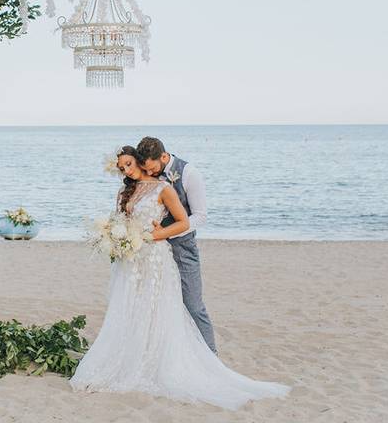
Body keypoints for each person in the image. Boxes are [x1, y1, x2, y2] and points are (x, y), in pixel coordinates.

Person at [69, 146, 290, 409]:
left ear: (139, 161)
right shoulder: (123, 191)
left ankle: (166, 361)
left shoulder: (164, 188)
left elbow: (183, 222)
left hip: (155, 258)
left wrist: (152, 236)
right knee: (132, 309)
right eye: (121, 168)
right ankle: (131, 358)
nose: (126, 171)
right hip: (131, 261)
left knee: (159, 309)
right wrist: (116, 238)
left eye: (128, 164)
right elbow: (119, 222)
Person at [135, 136, 216, 353]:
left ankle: (210, 355)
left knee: (193, 304)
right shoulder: (146, 172)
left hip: (182, 248)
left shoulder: (190, 173)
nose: (150, 174)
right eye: (146, 169)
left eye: (153, 169)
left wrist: (168, 233)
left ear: (163, 156)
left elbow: (200, 216)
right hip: (153, 251)